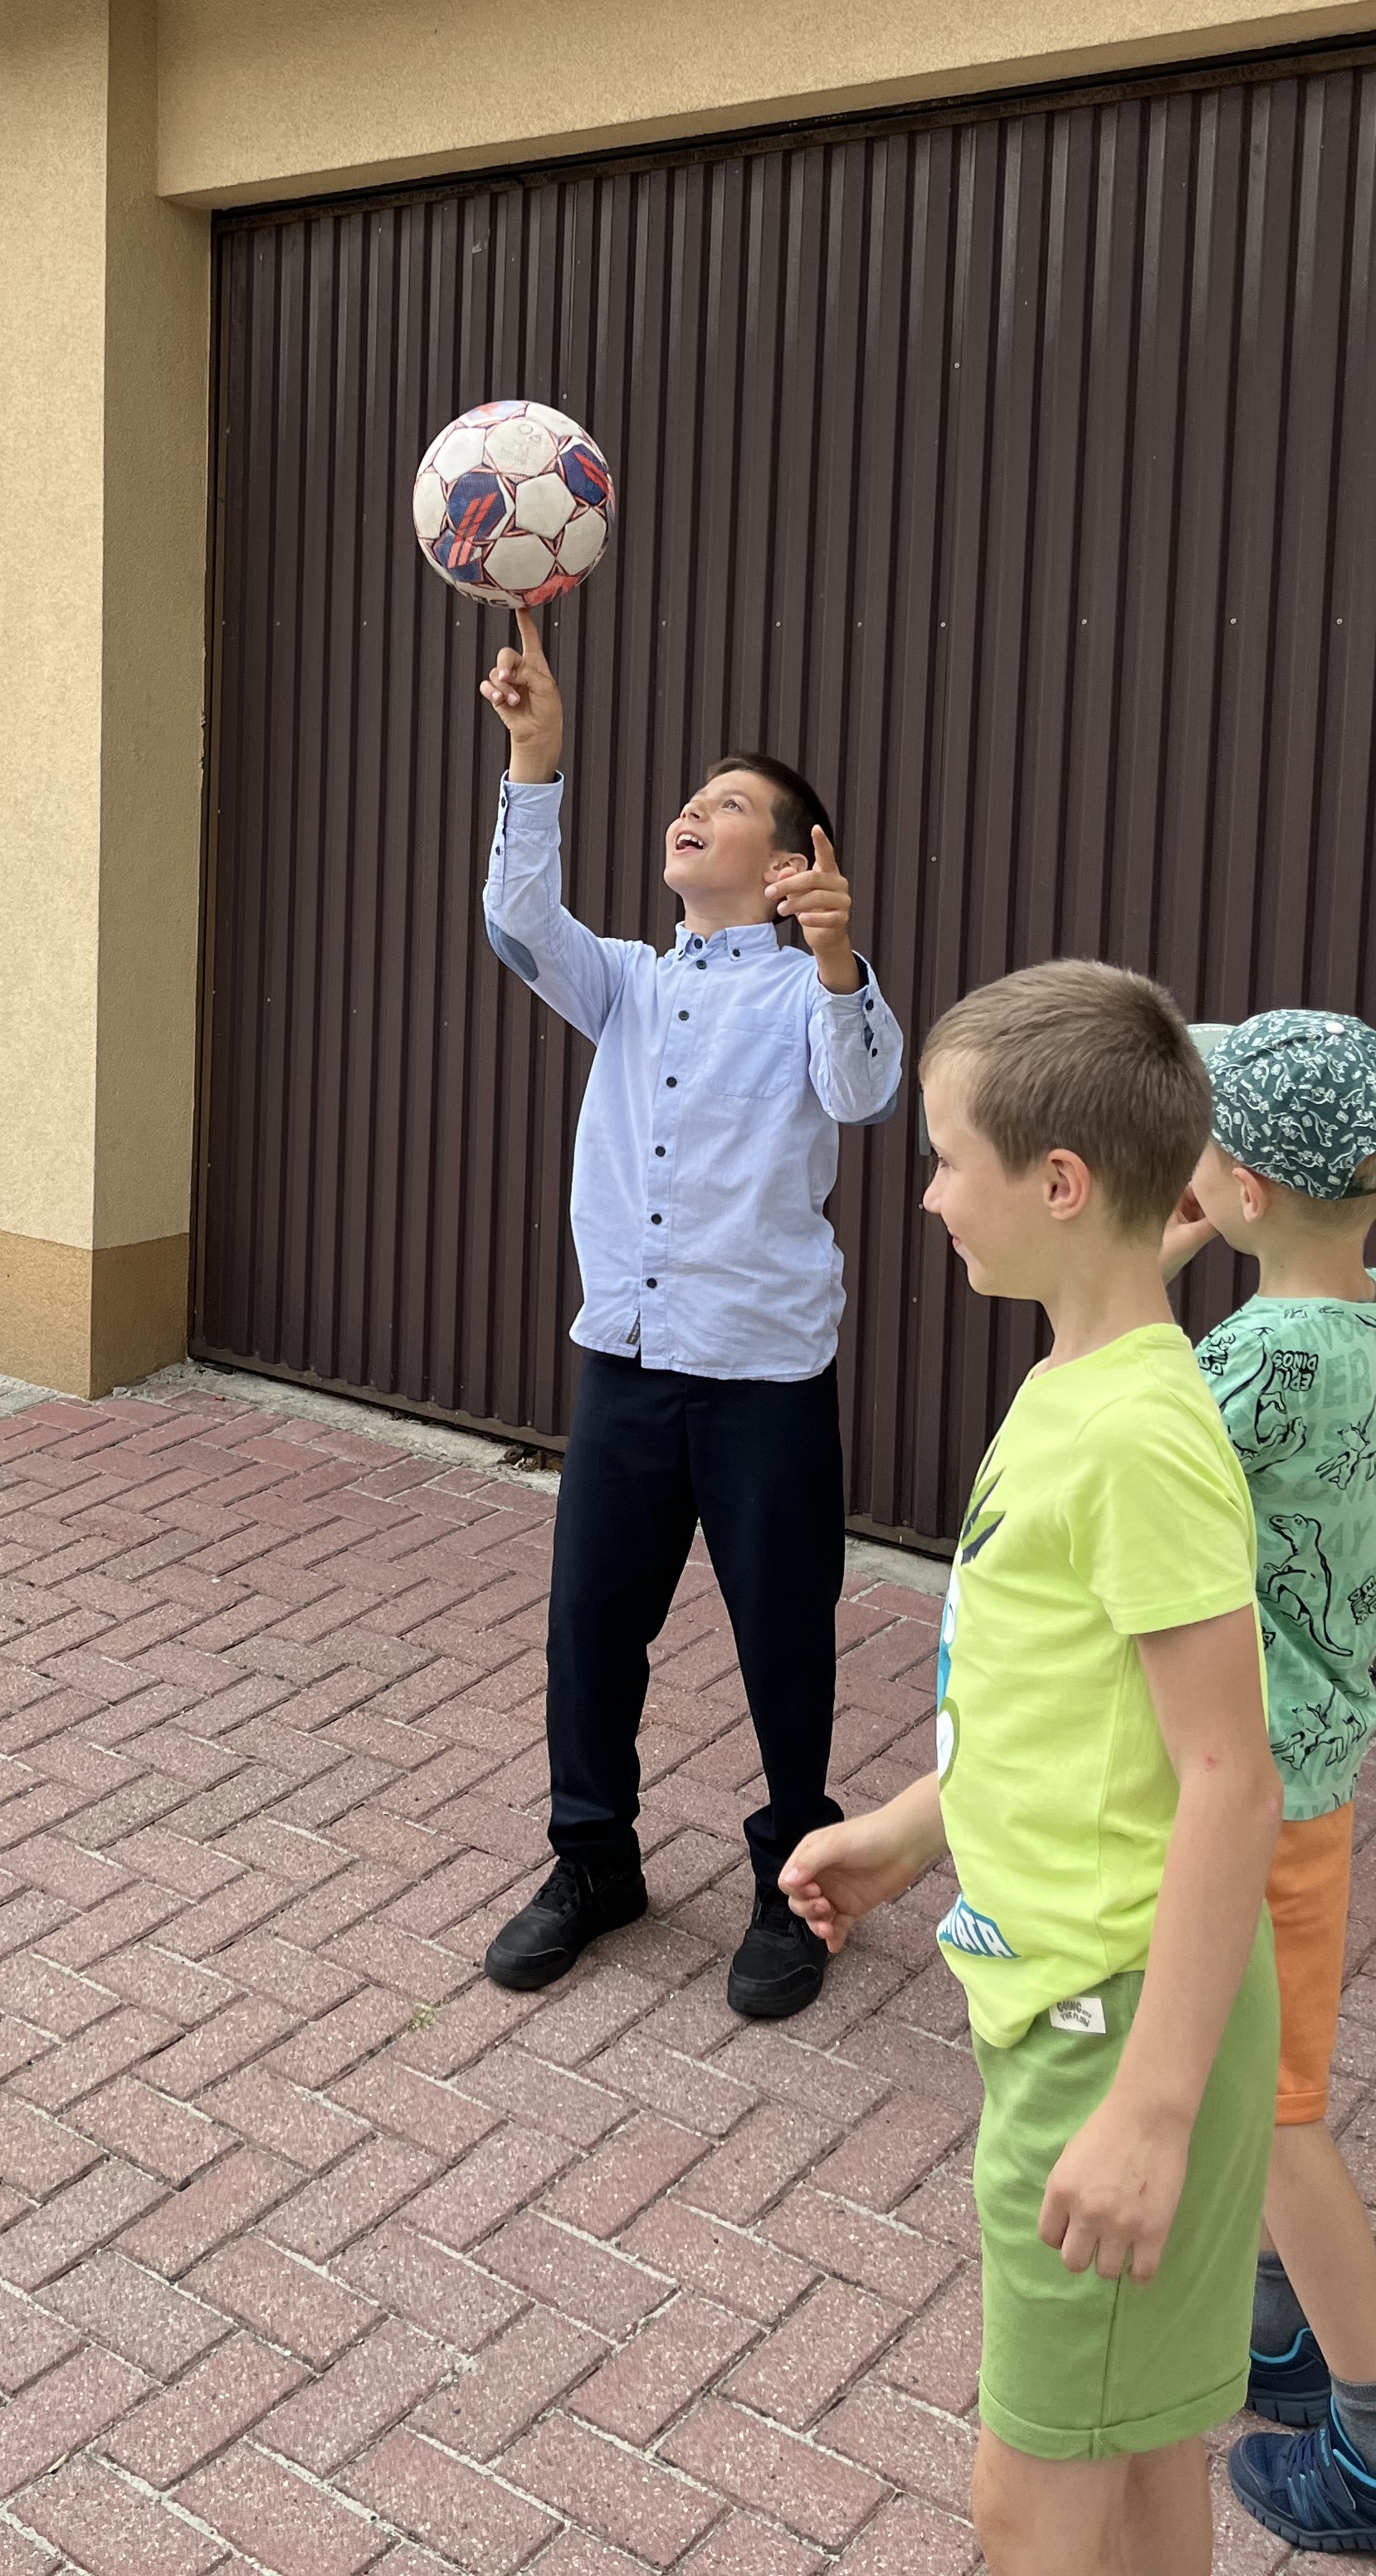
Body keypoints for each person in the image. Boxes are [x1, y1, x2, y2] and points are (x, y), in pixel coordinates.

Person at [781, 962, 1283, 2576]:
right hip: (1075, 2000)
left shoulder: (1135, 1436)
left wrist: (1149, 2110)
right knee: (1128, 2458)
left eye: (948, 1158)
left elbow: (1228, 1778)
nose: (927, 1193)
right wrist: (910, 1831)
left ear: (1059, 1185)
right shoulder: (1082, 1367)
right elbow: (1067, 1714)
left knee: (1031, 2503)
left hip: (1108, 2029)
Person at [474, 602, 903, 2021]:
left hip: (763, 1377)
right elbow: (517, 921)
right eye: (689, 798)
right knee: (590, 1625)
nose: (691, 810)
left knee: (783, 1639)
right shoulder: (631, 983)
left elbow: (863, 1091)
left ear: (786, 865)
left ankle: (796, 1878)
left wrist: (838, 959)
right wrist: (536, 758)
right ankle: (592, 1860)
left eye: (724, 805)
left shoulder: (813, 994)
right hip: (626, 1363)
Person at [1161, 1010, 1376, 2558]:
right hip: (1322, 1762)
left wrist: (1142, 1269)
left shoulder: (1240, 1361)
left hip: (1244, 1787)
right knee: (1268, 2070)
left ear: (1233, 1188)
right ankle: (1278, 2340)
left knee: (1277, 2111)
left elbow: (1126, 1496)